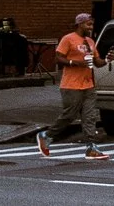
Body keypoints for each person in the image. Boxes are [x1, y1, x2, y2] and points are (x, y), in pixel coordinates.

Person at [37, 12, 102, 159]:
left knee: (90, 117)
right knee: (69, 115)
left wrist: (108, 60)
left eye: (92, 24)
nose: (91, 27)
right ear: (79, 24)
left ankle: (91, 147)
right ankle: (46, 135)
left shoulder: (90, 42)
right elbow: (58, 58)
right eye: (88, 24)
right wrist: (75, 63)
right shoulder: (68, 39)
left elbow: (97, 62)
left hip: (89, 85)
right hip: (71, 85)